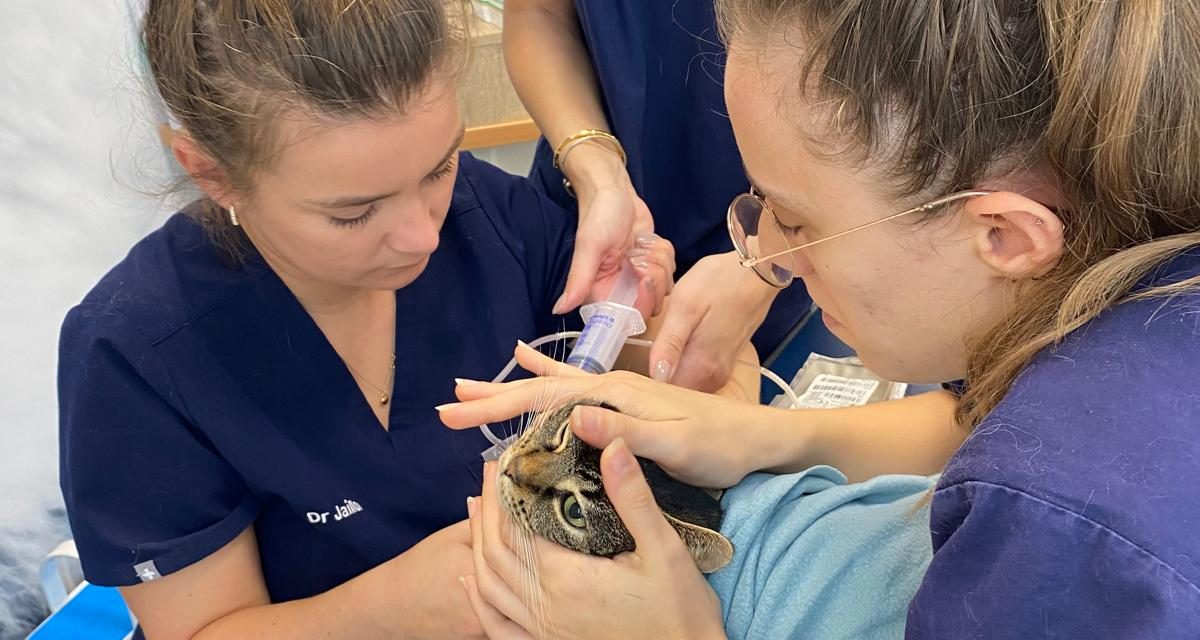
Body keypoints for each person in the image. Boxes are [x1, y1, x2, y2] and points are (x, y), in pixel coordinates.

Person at [441, 0, 1200, 637]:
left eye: (796, 222)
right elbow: (984, 416)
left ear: (1005, 236)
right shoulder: (1131, 298)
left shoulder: (1070, 536)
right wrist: (768, 438)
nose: (761, 256)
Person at [56, 2, 674, 639]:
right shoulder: (135, 354)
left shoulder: (489, 216)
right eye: (353, 214)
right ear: (213, 175)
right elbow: (200, 629)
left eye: (440, 166)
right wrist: (390, 612)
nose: (421, 237)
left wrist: (640, 316)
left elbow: (633, 386)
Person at [504, 0, 814, 390]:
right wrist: (600, 176)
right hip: (592, 224)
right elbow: (537, 13)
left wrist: (772, 256)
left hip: (783, 225)